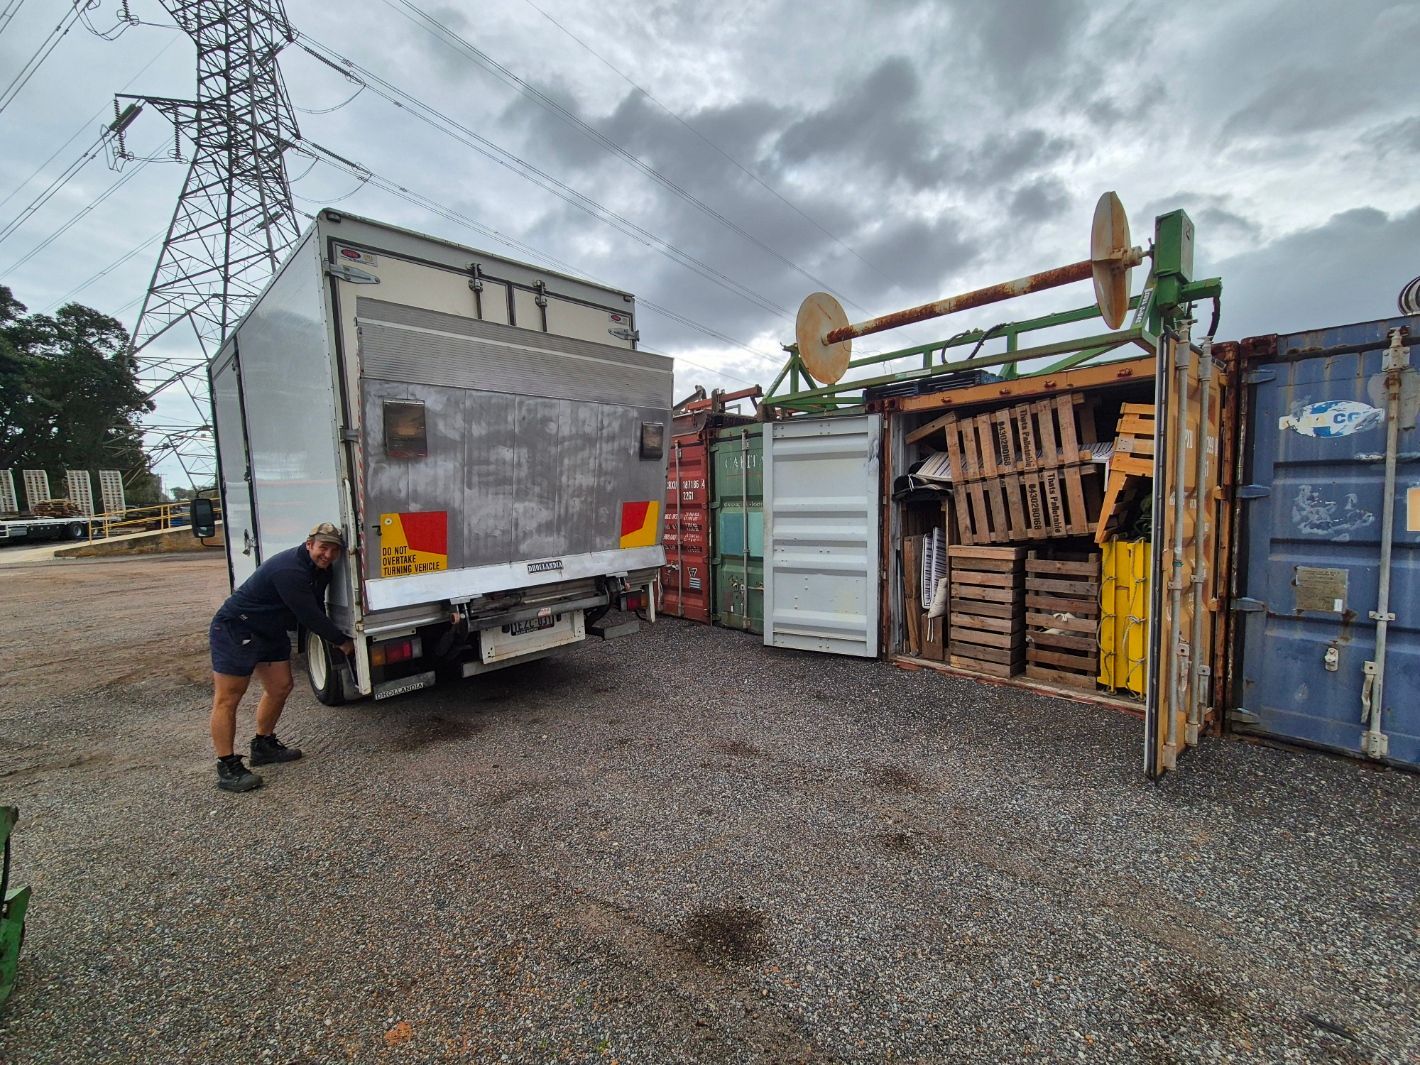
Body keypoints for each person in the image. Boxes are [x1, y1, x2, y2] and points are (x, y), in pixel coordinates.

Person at [208, 522, 355, 793]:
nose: (328, 555)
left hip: (270, 631)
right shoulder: (289, 570)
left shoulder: (321, 570)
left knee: (280, 687)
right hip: (238, 627)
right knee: (229, 697)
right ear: (309, 544)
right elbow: (308, 614)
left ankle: (263, 745)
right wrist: (341, 641)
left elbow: (317, 607)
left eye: (334, 550)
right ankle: (227, 765)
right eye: (323, 548)